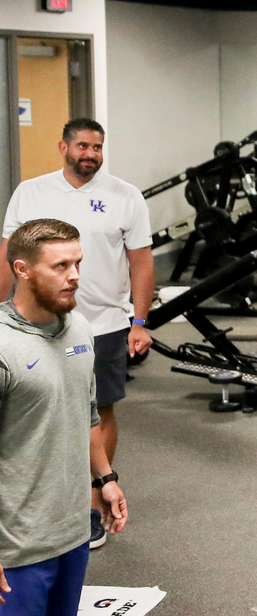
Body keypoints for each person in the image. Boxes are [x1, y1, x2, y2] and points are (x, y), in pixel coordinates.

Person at [0, 118, 152, 550]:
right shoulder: (30, 191)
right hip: (31, 322)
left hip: (101, 323)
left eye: (98, 147)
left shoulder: (126, 196)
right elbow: (8, 256)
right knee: (27, 411)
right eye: (83, 145)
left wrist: (139, 321)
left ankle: (90, 505)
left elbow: (141, 262)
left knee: (98, 410)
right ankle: (33, 507)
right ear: (62, 146)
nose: (91, 154)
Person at [0, 219, 128, 614]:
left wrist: (105, 478)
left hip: (72, 531)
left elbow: (86, 412)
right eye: (60, 266)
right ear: (22, 269)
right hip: (17, 546)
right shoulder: (3, 347)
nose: (74, 277)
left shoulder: (79, 329)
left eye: (78, 264)